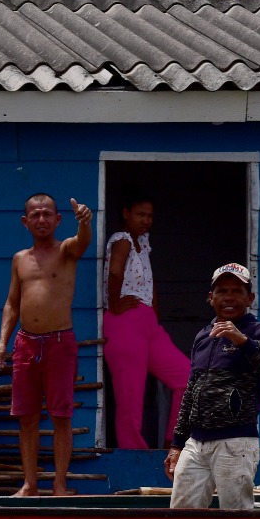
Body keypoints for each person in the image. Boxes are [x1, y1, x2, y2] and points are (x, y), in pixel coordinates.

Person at [0, 193, 92, 496]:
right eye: (35, 214)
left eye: (48, 213)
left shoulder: (67, 250)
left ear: (58, 219)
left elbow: (83, 241)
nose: (42, 219)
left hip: (60, 341)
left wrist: (85, 222)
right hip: (26, 344)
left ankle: (60, 484)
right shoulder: (20, 259)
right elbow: (12, 303)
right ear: (25, 221)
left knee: (62, 415)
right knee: (27, 417)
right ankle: (30, 484)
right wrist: (2, 341)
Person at [164, 263, 260, 510]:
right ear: (211, 298)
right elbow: (191, 391)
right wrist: (177, 444)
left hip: (236, 442)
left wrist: (242, 341)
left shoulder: (259, 331)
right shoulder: (202, 336)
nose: (229, 297)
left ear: (250, 298)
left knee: (236, 516)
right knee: (181, 515)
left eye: (237, 291)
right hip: (195, 443)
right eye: (222, 291)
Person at [102, 192, 190, 449]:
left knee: (187, 377)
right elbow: (116, 271)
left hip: (147, 323)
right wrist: (115, 303)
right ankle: (134, 454)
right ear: (126, 213)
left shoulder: (143, 244)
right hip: (125, 322)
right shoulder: (122, 239)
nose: (146, 220)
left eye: (150, 216)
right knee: (130, 397)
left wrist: (154, 318)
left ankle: (171, 444)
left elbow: (150, 287)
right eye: (140, 214)